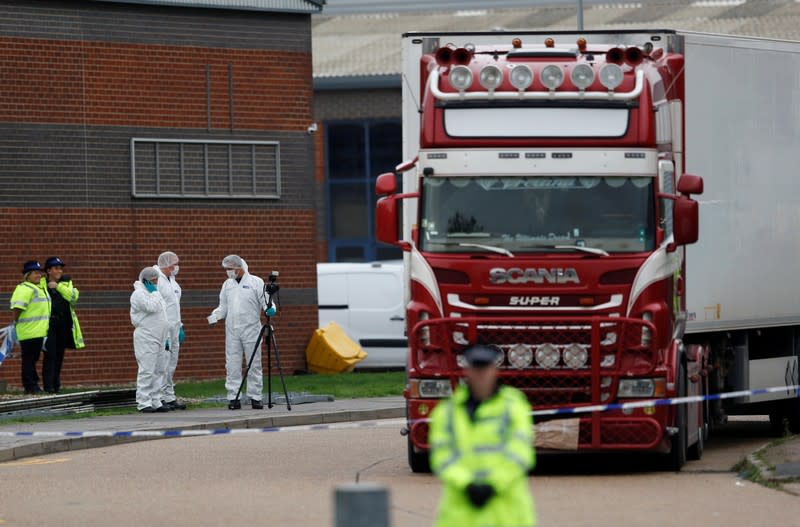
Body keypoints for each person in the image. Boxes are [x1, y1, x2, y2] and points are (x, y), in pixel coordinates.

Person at [428, 344, 536, 527]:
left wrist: (493, 484)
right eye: (476, 368)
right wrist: (467, 484)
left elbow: (520, 452)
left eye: (485, 368)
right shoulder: (447, 412)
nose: (481, 375)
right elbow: (442, 456)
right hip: (462, 517)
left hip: (505, 515)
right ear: (467, 371)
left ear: (495, 370)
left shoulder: (513, 406)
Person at [208, 255, 274, 410]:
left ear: (240, 267)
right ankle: (233, 397)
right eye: (227, 269)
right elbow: (223, 306)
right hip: (232, 330)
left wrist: (270, 309)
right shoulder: (227, 285)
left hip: (251, 329)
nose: (229, 272)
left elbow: (267, 302)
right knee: (232, 364)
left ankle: (255, 397)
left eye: (231, 269)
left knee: (254, 363)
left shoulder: (255, 282)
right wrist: (215, 316)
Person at [130, 266, 170, 413]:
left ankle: (156, 399)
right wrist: (155, 294)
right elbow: (151, 307)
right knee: (147, 370)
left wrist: (166, 337)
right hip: (146, 336)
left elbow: (163, 317)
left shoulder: (155, 293)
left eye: (157, 280)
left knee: (159, 369)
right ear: (146, 281)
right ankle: (143, 401)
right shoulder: (138, 294)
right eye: (153, 280)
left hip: (159, 337)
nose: (156, 282)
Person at [43, 256, 84, 394]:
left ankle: (56, 386)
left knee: (59, 356)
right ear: (48, 271)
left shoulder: (66, 283)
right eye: (56, 268)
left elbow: (73, 298)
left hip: (63, 325)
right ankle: (48, 387)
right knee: (50, 356)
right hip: (48, 326)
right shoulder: (42, 284)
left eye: (60, 268)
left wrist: (58, 287)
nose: (59, 271)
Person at [10, 261, 51, 394]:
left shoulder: (38, 288)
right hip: (29, 332)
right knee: (29, 360)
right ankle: (30, 387)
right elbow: (17, 308)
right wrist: (16, 322)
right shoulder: (24, 289)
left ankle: (33, 384)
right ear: (28, 275)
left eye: (40, 272)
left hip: (37, 332)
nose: (39, 275)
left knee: (32, 360)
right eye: (35, 272)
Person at [154, 251, 186, 411]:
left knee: (172, 363)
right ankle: (159, 397)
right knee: (163, 363)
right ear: (166, 265)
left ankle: (169, 395)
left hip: (174, 327)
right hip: (163, 329)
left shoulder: (172, 281)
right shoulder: (157, 279)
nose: (177, 267)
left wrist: (180, 326)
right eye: (174, 264)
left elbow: (175, 306)